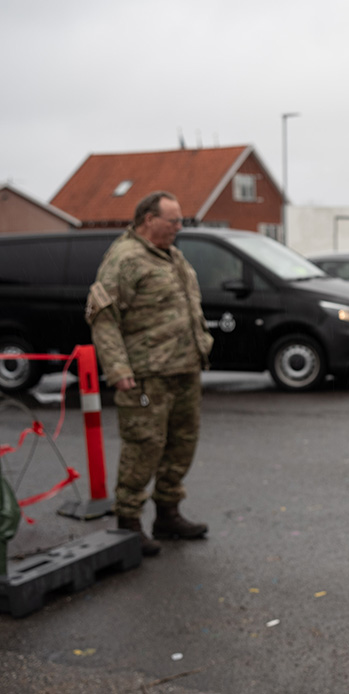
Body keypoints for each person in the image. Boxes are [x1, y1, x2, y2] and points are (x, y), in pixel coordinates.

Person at [86, 191, 214, 556]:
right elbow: (103, 318)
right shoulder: (125, 259)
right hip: (146, 375)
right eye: (173, 220)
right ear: (148, 220)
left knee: (181, 444)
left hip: (184, 368)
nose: (179, 227)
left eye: (180, 220)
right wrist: (119, 369)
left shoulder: (172, 256)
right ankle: (128, 523)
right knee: (144, 446)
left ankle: (168, 514)